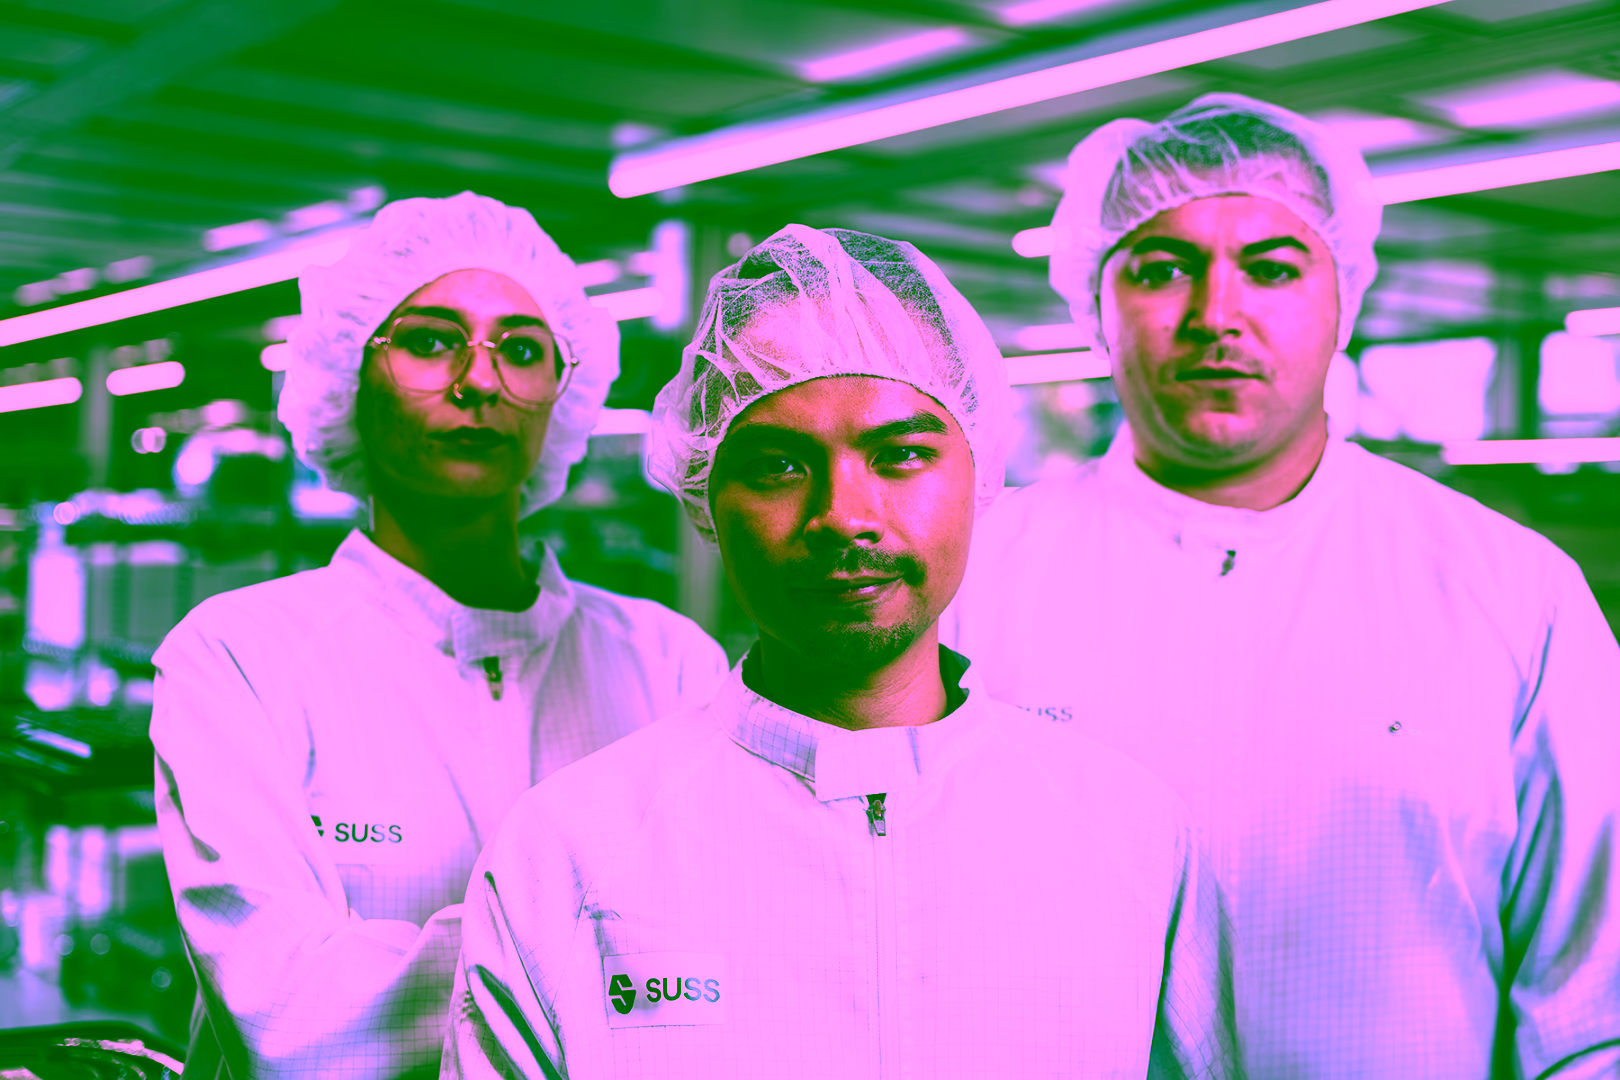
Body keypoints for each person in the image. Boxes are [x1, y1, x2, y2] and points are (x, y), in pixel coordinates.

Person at [441, 225, 1239, 1079]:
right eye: (780, 465)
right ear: (705, 496)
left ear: (980, 473)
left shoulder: (1127, 830)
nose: (845, 516)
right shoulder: (568, 852)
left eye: (901, 455)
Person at [944, 94, 1620, 1078]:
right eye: (1162, 268)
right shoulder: (974, 582)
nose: (1217, 315)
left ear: (1343, 296)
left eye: (1271, 268)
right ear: (1096, 302)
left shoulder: (1510, 593)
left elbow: (1592, 1008)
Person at [151, 192, 728, 1080]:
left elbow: (730, 959)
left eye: (523, 352)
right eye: (429, 340)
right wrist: (610, 963)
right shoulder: (239, 658)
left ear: (559, 397)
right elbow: (290, 1022)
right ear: (350, 374)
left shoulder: (669, 661)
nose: (480, 381)